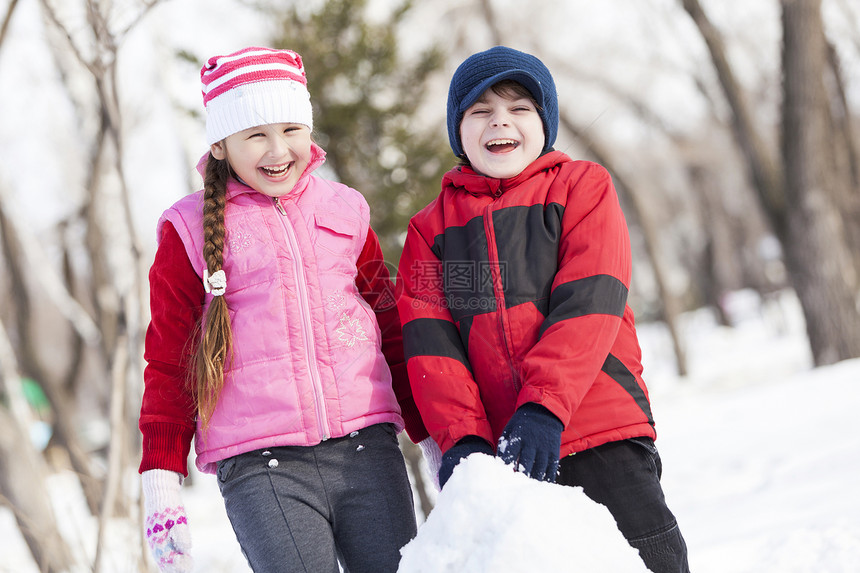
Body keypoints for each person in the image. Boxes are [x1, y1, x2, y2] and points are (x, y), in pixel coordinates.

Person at [138, 46, 434, 573]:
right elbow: (169, 359)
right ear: (222, 146)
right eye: (256, 135)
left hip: (367, 449)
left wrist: (429, 435)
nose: (278, 149)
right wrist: (161, 478)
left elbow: (390, 327)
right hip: (261, 466)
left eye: (291, 129)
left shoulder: (345, 208)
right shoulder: (185, 230)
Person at [395, 45, 690, 572]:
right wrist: (462, 439)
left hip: (600, 430)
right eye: (480, 111)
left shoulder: (582, 187)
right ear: (457, 132)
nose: (499, 122)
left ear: (545, 122)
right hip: (504, 459)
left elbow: (589, 299)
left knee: (650, 562)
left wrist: (544, 405)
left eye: (518, 108)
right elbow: (431, 342)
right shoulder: (431, 230)